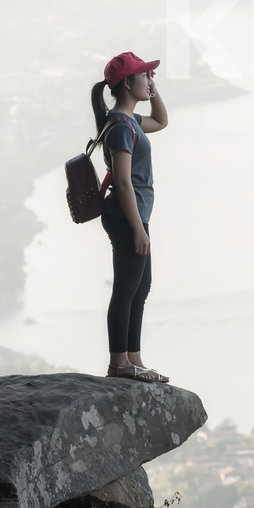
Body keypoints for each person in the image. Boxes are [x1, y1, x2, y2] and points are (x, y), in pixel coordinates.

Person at [90, 51, 169, 383]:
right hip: (127, 218)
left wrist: (153, 89)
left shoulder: (129, 121)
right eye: (144, 76)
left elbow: (162, 121)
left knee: (140, 287)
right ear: (126, 82)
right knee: (126, 289)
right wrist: (138, 229)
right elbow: (122, 181)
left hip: (134, 216)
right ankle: (119, 363)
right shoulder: (122, 127)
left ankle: (133, 358)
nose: (148, 81)